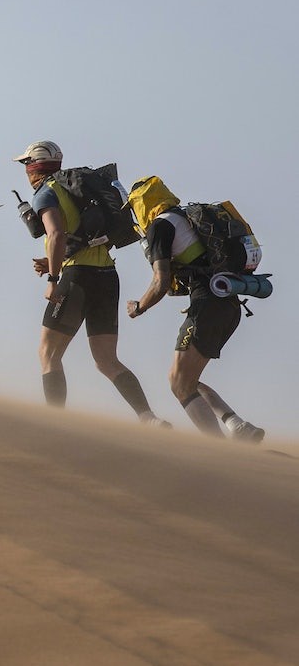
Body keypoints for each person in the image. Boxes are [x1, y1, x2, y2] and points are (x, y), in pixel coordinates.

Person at [14, 140, 167, 425]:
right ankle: (149, 418)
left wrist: (53, 278)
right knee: (107, 360)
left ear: (33, 167)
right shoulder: (78, 189)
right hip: (107, 276)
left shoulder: (46, 193)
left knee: (48, 353)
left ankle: (55, 422)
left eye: (25, 164)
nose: (25, 171)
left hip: (75, 278)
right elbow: (83, 239)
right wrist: (53, 261)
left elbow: (57, 235)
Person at [124, 175, 265, 442]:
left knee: (179, 383)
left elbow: (160, 282)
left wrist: (139, 307)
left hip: (207, 306)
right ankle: (238, 426)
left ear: (141, 204)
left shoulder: (159, 227)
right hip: (230, 302)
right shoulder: (185, 217)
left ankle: (216, 448)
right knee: (188, 379)